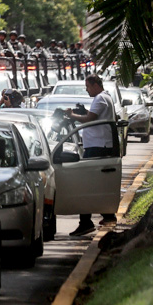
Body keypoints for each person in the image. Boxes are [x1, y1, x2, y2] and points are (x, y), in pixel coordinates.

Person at [66, 74, 118, 235]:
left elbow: (90, 119)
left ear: (95, 85)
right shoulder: (105, 97)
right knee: (98, 183)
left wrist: (71, 115)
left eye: (87, 86)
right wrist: (83, 111)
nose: (86, 89)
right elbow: (93, 115)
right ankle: (108, 215)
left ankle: (86, 222)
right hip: (99, 145)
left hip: (98, 146)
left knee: (86, 183)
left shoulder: (100, 98)